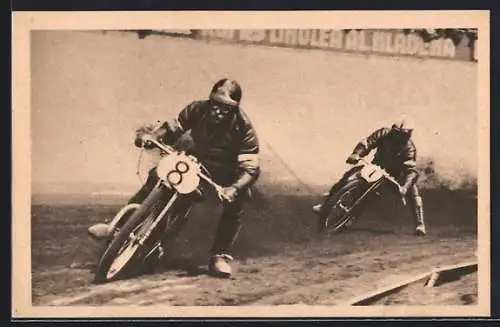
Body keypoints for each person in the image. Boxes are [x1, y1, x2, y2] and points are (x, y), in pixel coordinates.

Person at [88, 78, 261, 278]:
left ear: (235, 109)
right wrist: (153, 137)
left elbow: (250, 168)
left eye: (226, 109)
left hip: (225, 172)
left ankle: (219, 255)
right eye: (216, 105)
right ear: (210, 101)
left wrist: (234, 187)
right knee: (157, 176)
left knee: (236, 202)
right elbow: (172, 129)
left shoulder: (244, 127)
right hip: (196, 159)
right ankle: (118, 228)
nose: (219, 112)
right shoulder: (196, 109)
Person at [312, 116, 427, 236]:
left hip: (396, 174)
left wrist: (405, 187)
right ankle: (327, 205)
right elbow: (367, 143)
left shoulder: (409, 148)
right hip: (377, 166)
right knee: (350, 176)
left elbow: (411, 170)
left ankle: (420, 224)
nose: (397, 137)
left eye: (402, 134)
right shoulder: (384, 133)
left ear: (408, 134)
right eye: (396, 132)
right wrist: (356, 154)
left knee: (413, 191)